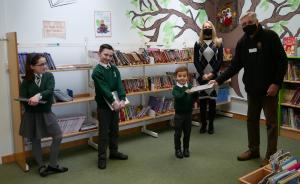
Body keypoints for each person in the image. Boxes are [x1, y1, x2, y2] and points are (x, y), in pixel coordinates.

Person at [209, 11, 287, 166]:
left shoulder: (270, 37)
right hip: (252, 90)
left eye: (250, 23)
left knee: (271, 123)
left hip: (269, 91)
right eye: (244, 24)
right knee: (251, 120)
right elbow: (234, 66)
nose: (247, 26)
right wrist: (218, 80)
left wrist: (276, 83)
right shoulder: (242, 43)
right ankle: (253, 150)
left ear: (257, 21)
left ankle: (271, 156)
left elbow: (282, 61)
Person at [19, 53, 68, 177]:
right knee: (36, 140)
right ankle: (41, 166)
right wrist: (30, 103)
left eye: (45, 63)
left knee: (58, 136)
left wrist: (38, 96)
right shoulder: (25, 81)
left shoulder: (49, 76)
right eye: (41, 64)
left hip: (46, 113)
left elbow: (49, 90)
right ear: (32, 67)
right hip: (31, 115)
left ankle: (52, 165)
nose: (45, 66)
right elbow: (23, 98)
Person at [92, 44, 128, 170]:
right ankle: (102, 157)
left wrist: (122, 98)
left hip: (116, 105)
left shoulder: (114, 68)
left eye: (110, 55)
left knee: (114, 130)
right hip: (104, 106)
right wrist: (113, 101)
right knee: (103, 133)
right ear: (99, 54)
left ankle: (114, 152)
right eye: (105, 55)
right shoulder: (97, 71)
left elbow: (119, 84)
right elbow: (104, 89)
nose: (108, 57)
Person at [194, 20, 223, 134]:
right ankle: (203, 125)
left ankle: (211, 124)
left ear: (212, 28)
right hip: (202, 77)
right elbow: (196, 60)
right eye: (205, 26)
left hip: (214, 77)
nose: (207, 28)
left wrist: (212, 74)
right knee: (202, 103)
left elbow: (220, 60)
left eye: (209, 26)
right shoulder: (198, 43)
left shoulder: (218, 42)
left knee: (212, 103)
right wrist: (203, 74)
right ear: (202, 29)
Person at [172, 66, 198, 158]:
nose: (182, 78)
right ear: (176, 77)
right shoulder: (175, 88)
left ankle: (186, 149)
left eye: (184, 76)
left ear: (187, 77)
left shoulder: (190, 86)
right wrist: (186, 92)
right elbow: (178, 98)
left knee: (187, 133)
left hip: (188, 114)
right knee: (178, 133)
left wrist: (196, 92)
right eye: (180, 76)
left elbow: (195, 98)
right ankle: (178, 149)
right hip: (179, 115)